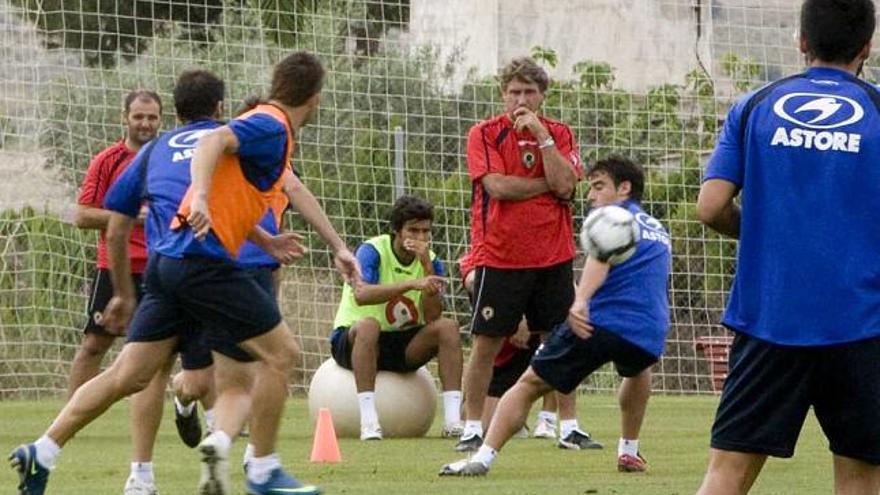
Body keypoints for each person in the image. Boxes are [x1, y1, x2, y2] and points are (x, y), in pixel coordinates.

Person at [694, 1, 880, 493]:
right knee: (860, 477)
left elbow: (710, 207)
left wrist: (763, 232)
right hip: (862, 324)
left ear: (801, 41)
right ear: (867, 47)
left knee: (726, 475)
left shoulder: (754, 106)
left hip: (769, 320)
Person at [441, 156, 671, 477]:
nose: (590, 196)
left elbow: (600, 260)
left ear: (625, 188)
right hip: (650, 330)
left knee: (528, 384)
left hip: (600, 324)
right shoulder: (656, 227)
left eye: (598, 186)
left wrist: (580, 302)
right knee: (638, 371)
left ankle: (482, 457)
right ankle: (629, 451)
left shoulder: (613, 218)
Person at [455, 56, 583, 453]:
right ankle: (471, 428)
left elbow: (567, 186)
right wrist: (548, 186)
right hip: (501, 255)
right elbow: (497, 187)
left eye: (529, 91)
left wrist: (542, 139)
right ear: (502, 94)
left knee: (561, 339)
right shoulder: (484, 134)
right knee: (486, 343)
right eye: (514, 91)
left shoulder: (560, 134)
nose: (521, 99)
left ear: (542, 96)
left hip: (553, 254)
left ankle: (569, 426)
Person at [70, 88, 170, 494]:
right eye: (138, 117)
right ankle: (72, 416)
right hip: (117, 267)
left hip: (163, 267)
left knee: (159, 359)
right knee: (94, 346)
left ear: (160, 119)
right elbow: (81, 215)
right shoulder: (108, 161)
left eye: (152, 117)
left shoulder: (167, 157)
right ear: (124, 117)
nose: (145, 123)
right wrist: (129, 215)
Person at [330, 195, 463, 440]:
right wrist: (412, 283)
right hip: (353, 340)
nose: (420, 238)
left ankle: (454, 422)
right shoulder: (372, 251)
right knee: (369, 325)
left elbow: (433, 316)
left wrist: (425, 268)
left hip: (401, 344)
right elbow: (362, 295)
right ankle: (369, 422)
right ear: (396, 231)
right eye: (413, 230)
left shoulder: (432, 262)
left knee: (448, 328)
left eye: (425, 231)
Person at [459, 250, 602, 450]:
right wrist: (516, 318)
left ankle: (557, 423)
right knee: (492, 426)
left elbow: (570, 299)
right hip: (502, 360)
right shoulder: (480, 256)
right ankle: (471, 431)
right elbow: (473, 281)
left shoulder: (551, 256)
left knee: (554, 341)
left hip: (530, 351)